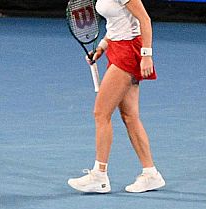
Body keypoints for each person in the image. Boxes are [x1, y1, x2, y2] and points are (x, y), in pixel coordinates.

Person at [66, 0, 165, 195]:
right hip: (117, 48)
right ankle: (151, 173)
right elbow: (116, 24)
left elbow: (144, 19)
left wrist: (147, 55)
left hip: (129, 51)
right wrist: (102, 47)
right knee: (130, 116)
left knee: (101, 113)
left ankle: (99, 176)